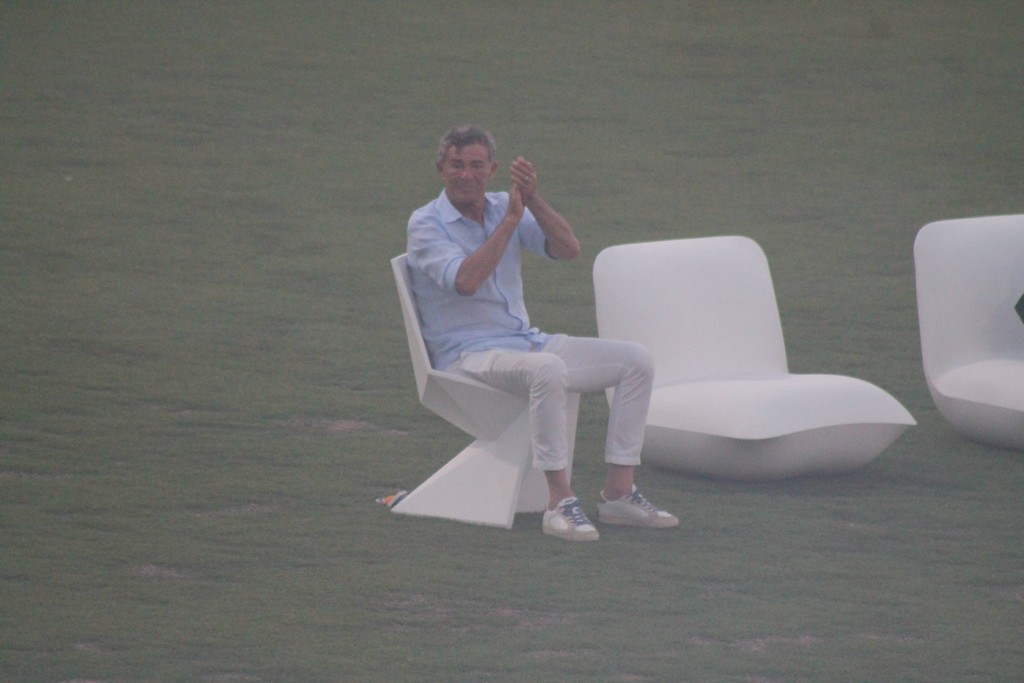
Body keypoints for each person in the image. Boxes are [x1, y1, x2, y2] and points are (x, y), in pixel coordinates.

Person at [406, 125, 678, 541]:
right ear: (440, 169)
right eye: (456, 165)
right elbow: (466, 281)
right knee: (547, 368)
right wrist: (510, 223)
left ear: (492, 169)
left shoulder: (504, 205)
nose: (466, 175)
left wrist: (532, 199)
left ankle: (619, 494)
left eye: (476, 165)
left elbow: (568, 248)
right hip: (465, 356)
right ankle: (558, 502)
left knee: (635, 360)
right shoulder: (426, 223)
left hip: (524, 342)